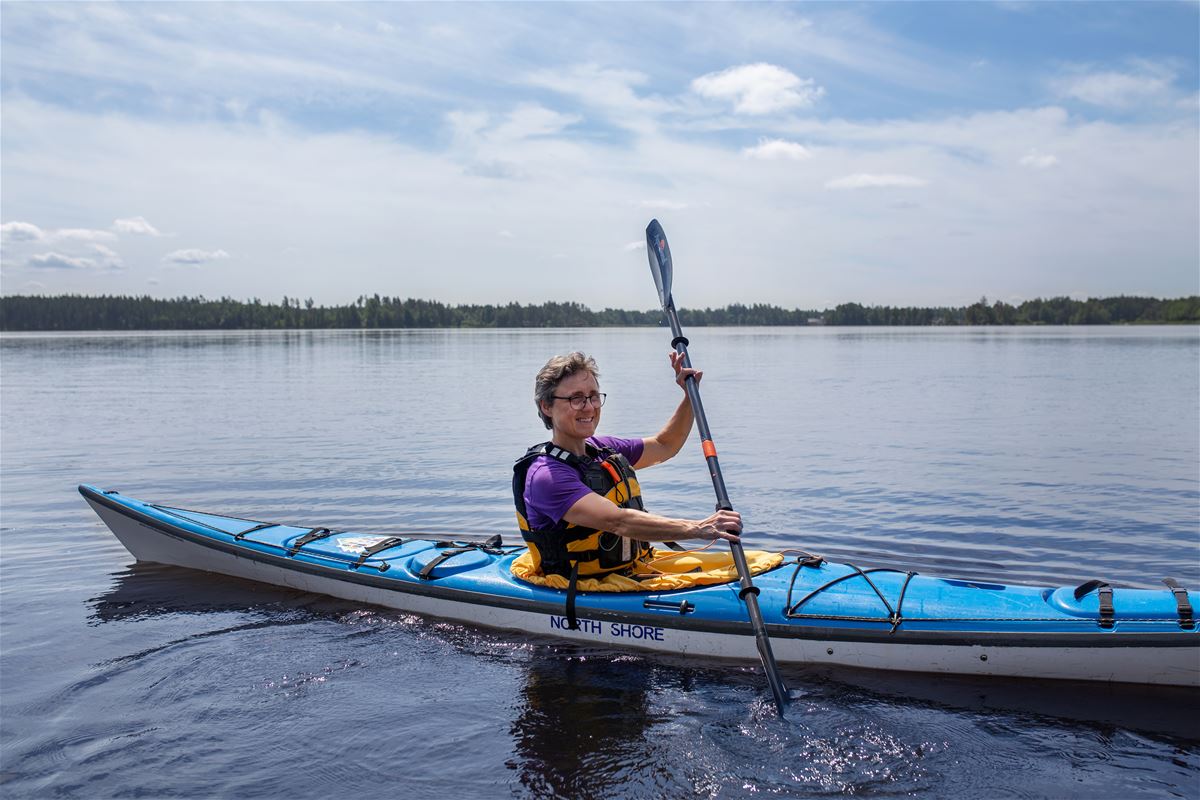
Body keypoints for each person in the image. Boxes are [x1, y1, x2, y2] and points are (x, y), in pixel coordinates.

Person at [512, 351, 742, 588]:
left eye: (593, 396)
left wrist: (689, 395)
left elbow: (665, 446)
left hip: (628, 569)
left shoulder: (602, 449)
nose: (589, 407)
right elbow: (618, 522)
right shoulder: (546, 476)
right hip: (580, 585)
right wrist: (699, 528)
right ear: (547, 406)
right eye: (576, 399)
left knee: (757, 560)